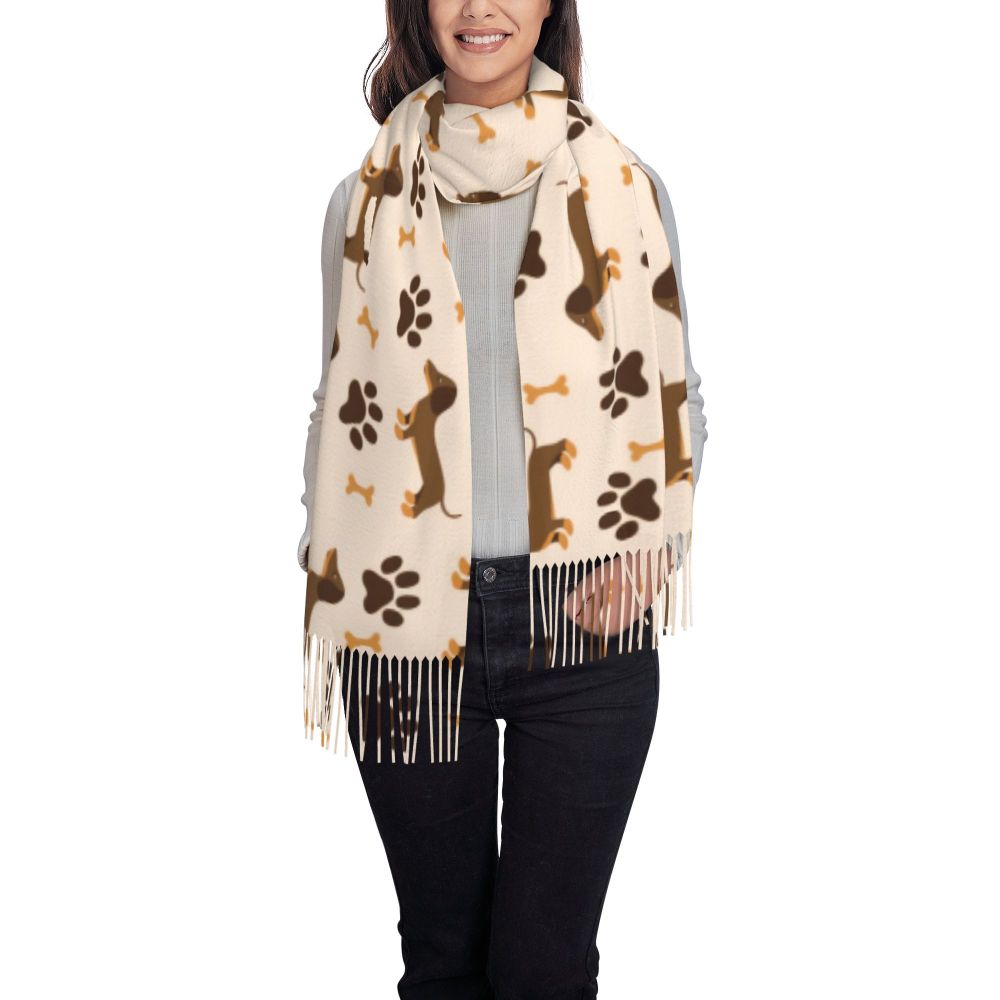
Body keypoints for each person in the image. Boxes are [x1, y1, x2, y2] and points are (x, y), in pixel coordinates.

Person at [298, 2, 707, 996]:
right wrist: (335, 564)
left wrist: (647, 558)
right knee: (440, 962)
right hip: (399, 630)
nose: (481, 7)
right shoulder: (362, 198)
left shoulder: (625, 184)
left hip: (582, 622)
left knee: (543, 971)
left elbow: (679, 399)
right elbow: (337, 403)